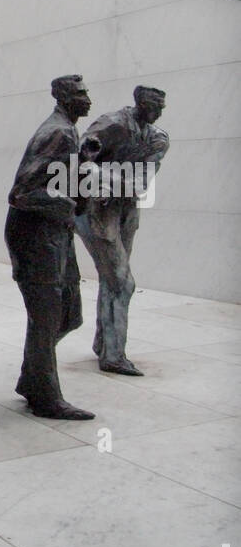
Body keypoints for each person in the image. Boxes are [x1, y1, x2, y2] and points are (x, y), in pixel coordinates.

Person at [5, 75, 94, 420]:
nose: (89, 99)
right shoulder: (56, 132)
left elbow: (58, 183)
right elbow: (22, 193)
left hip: (56, 234)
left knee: (70, 313)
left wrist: (82, 173)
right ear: (63, 97)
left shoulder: (70, 132)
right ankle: (45, 395)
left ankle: (32, 378)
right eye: (82, 94)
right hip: (35, 238)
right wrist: (70, 204)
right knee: (46, 318)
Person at [74, 85, 169, 375]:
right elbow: (79, 160)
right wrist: (105, 180)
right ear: (140, 103)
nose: (160, 111)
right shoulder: (112, 124)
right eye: (155, 105)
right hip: (97, 209)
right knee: (122, 281)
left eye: (162, 107)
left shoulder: (157, 138)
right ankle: (114, 355)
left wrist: (105, 176)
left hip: (126, 209)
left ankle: (104, 343)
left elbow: (142, 181)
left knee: (112, 278)